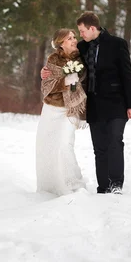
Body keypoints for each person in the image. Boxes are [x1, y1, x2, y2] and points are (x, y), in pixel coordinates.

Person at [42, 12, 131, 195]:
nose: (80, 35)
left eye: (82, 31)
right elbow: (63, 55)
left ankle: (116, 184)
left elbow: (127, 74)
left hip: (117, 104)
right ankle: (103, 187)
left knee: (115, 142)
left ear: (92, 28)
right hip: (94, 105)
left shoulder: (118, 44)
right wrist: (45, 71)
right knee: (99, 147)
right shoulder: (82, 47)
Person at [36, 28, 88, 196]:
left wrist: (62, 80)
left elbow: (78, 80)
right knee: (47, 147)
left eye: (74, 37)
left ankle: (72, 184)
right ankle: (51, 186)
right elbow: (47, 85)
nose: (74, 40)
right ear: (61, 43)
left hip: (70, 108)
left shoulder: (82, 57)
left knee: (65, 144)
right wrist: (63, 81)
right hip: (51, 109)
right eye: (69, 38)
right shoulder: (53, 59)